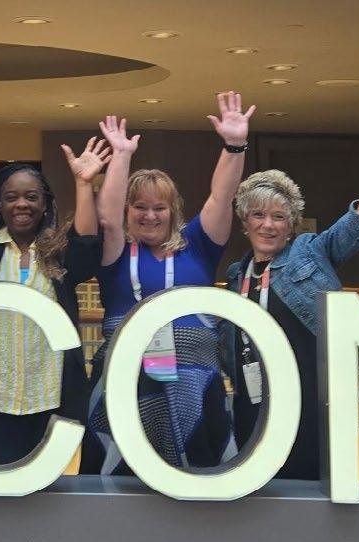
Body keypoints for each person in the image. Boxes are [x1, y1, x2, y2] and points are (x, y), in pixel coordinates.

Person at [222, 124, 359, 479]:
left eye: (279, 217)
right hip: (253, 402)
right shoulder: (236, 276)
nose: (268, 225)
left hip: (310, 400)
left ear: (291, 224)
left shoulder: (310, 252)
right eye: (258, 215)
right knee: (257, 485)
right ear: (245, 221)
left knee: (309, 482)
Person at [84, 93, 255, 475]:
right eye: (139, 207)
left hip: (196, 380)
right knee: (119, 479)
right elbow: (107, 219)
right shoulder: (116, 251)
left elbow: (222, 196)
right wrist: (121, 156)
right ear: (129, 210)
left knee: (199, 478)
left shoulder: (197, 245)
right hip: (126, 379)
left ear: (172, 210)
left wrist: (234, 146)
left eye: (159, 207)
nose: (150, 215)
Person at [0, 133, 107, 463]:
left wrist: (84, 184)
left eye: (31, 197)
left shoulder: (58, 252)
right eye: (11, 197)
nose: (21, 204)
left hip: (51, 394)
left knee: (46, 487)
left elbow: (87, 248)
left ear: (45, 204)